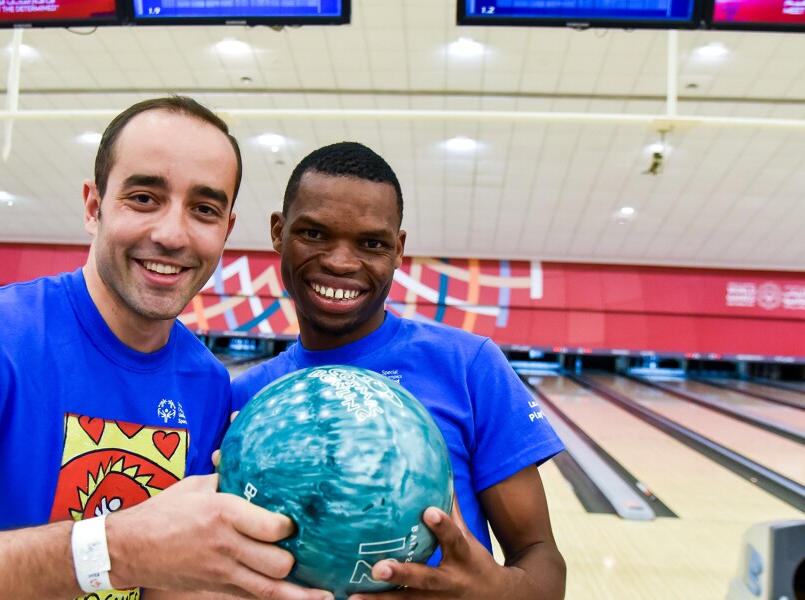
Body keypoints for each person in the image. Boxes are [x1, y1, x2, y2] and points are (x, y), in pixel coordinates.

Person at [0, 97, 332, 600]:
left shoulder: (208, 384)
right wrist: (114, 547)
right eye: (144, 198)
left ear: (225, 230)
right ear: (94, 206)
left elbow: (173, 581)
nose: (173, 233)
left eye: (204, 208)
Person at [231, 142, 567, 599]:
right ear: (278, 231)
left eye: (371, 243)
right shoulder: (244, 401)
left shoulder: (468, 366)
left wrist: (493, 591)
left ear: (397, 250)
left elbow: (541, 555)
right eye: (314, 234)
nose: (340, 262)